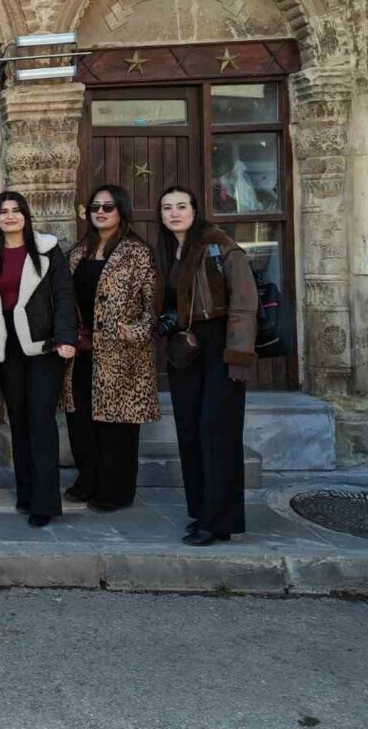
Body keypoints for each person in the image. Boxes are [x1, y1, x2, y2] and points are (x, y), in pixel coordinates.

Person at [155, 185, 258, 546]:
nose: (174, 213)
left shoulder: (220, 246)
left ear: (195, 210)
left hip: (219, 345)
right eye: (167, 208)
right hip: (187, 348)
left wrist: (239, 356)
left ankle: (219, 522)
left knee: (218, 434)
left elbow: (244, 303)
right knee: (190, 432)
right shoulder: (168, 250)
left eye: (181, 206)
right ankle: (202, 513)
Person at [60, 185, 158, 512]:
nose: (100, 212)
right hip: (82, 349)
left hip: (121, 353)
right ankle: (87, 480)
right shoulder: (78, 251)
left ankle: (117, 490)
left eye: (108, 206)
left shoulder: (137, 252)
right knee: (81, 420)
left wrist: (136, 331)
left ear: (121, 210)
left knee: (117, 425)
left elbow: (153, 302)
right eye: (95, 207)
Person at [0, 190, 75, 526]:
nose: (9, 216)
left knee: (41, 422)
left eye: (16, 210)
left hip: (44, 347)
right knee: (18, 422)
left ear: (25, 215)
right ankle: (25, 494)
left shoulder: (47, 249)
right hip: (7, 348)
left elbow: (64, 294)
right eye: (3, 211)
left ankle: (44, 503)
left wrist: (66, 337)